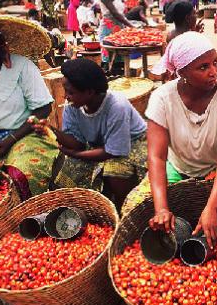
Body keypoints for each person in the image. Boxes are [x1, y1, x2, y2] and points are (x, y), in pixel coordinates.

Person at [123, 32, 217, 248]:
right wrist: (161, 209)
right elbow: (157, 157)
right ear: (182, 72)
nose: (214, 72)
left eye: (215, 63)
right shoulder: (162, 98)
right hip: (177, 167)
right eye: (203, 67)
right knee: (132, 209)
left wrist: (212, 207)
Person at [48, 59, 147, 209]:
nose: (66, 97)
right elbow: (77, 143)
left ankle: (122, 210)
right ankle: (85, 208)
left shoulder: (117, 106)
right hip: (99, 145)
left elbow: (113, 151)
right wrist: (49, 130)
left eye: (71, 92)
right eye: (65, 91)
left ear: (89, 92)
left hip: (130, 144)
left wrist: (76, 154)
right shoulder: (73, 107)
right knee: (68, 170)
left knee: (115, 173)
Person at [0, 15, 58, 200]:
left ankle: (22, 220)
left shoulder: (22, 65)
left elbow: (43, 108)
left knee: (21, 175)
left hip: (23, 135)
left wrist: (10, 139)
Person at [98, 0, 133, 65]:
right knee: (109, 57)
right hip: (108, 29)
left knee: (119, 57)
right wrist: (131, 25)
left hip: (118, 28)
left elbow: (120, 12)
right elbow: (115, 13)